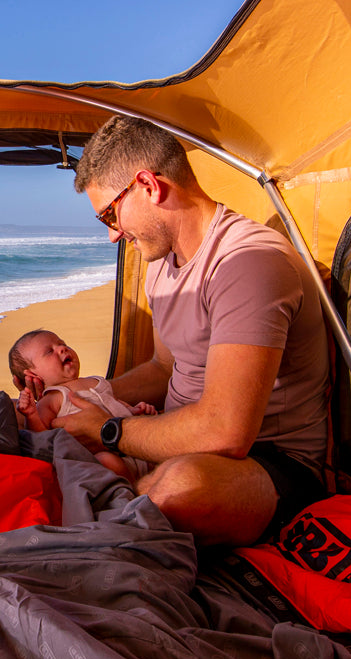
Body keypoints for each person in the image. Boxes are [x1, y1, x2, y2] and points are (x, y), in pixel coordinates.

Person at [50, 116, 332, 546]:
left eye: (109, 214)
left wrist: (110, 429)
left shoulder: (247, 263)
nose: (112, 235)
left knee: (183, 487)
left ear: (148, 185)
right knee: (57, 451)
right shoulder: (160, 265)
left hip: (267, 462)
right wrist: (86, 400)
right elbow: (165, 367)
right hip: (180, 438)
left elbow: (226, 431)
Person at [8, 328, 156, 480]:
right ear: (32, 375)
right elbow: (41, 438)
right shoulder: (52, 398)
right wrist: (31, 415)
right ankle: (128, 487)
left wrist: (133, 409)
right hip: (109, 457)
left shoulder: (95, 380)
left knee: (155, 444)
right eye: (49, 351)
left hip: (133, 444)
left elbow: (113, 401)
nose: (62, 348)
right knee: (106, 462)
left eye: (62, 343)